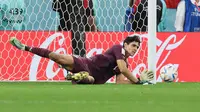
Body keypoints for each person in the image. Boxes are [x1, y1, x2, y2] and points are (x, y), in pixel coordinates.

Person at [9, 35, 154, 85]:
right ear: (126, 44)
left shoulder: (125, 63)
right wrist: (137, 81)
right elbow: (123, 69)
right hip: (86, 63)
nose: (135, 49)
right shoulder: (118, 49)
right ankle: (26, 47)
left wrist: (137, 81)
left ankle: (77, 76)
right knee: (57, 57)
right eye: (133, 45)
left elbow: (120, 82)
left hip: (94, 78)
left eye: (137, 47)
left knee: (89, 80)